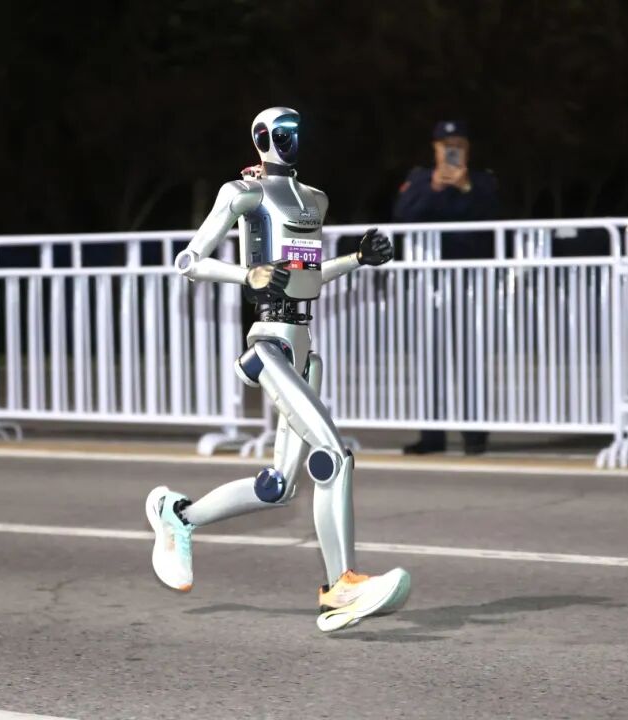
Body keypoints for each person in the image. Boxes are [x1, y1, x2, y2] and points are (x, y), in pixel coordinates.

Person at [146, 107, 410, 633]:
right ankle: (340, 587)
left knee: (277, 487)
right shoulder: (242, 194)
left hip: (305, 347)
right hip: (269, 343)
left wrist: (357, 259)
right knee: (332, 455)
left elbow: (309, 276)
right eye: (282, 133)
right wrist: (248, 275)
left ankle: (179, 517)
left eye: (297, 131)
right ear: (262, 137)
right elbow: (189, 261)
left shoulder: (315, 200)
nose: (292, 140)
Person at [393, 120, 499, 455]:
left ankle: (474, 435)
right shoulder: (419, 180)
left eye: (458, 145)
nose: (452, 151)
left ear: (467, 148)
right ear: (435, 148)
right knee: (429, 358)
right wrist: (434, 188)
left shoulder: (483, 181)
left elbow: (492, 219)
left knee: (470, 358)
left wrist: (466, 187)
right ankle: (432, 436)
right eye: (446, 145)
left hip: (469, 281)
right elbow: (402, 217)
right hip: (428, 283)